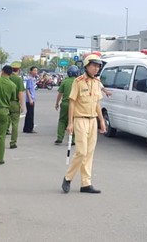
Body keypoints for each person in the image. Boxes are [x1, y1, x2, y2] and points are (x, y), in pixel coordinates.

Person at [62, 54, 107, 194]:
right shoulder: (78, 81)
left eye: (98, 66)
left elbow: (97, 103)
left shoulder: (96, 82)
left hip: (93, 120)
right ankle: (68, 178)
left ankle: (86, 183)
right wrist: (70, 123)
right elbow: (72, 102)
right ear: (86, 66)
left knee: (89, 153)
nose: (96, 68)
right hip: (80, 119)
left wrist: (101, 121)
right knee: (81, 151)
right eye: (94, 65)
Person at [55, 65, 79, 145]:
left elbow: (60, 94)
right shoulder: (79, 81)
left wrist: (57, 103)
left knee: (62, 120)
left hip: (65, 104)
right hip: (75, 104)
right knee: (74, 121)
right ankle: (73, 140)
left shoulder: (64, 81)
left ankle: (59, 137)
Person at [7, 62, 26, 149]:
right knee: (15, 124)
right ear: (18, 70)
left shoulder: (6, 78)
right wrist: (22, 105)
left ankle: (2, 140)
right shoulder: (18, 80)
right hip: (14, 103)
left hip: (5, 103)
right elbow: (20, 93)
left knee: (4, 123)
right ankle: (13, 143)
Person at [23, 66, 38, 133]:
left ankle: (26, 128)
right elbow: (27, 90)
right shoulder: (29, 79)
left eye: (36, 70)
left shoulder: (33, 79)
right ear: (31, 71)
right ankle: (29, 128)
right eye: (34, 70)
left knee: (29, 114)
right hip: (30, 100)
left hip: (32, 99)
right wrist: (30, 99)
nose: (35, 72)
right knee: (30, 114)